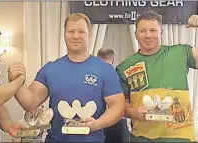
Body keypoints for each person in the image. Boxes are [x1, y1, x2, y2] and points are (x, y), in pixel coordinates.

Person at [10, 13, 125, 142]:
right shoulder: (50, 69)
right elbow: (29, 102)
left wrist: (97, 124)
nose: (76, 36)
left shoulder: (105, 70)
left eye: (81, 31)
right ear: (64, 35)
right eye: (71, 31)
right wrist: (15, 81)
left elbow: (118, 107)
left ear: (89, 35)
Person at [116, 11, 198, 142]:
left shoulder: (181, 53)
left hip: (181, 138)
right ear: (136, 35)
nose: (148, 35)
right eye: (143, 31)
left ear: (161, 33)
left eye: (153, 30)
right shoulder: (124, 67)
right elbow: (121, 104)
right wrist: (133, 113)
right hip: (141, 138)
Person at [96, 48, 130, 143]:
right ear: (113, 59)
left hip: (100, 119)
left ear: (97, 58)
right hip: (118, 119)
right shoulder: (120, 75)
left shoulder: (91, 76)